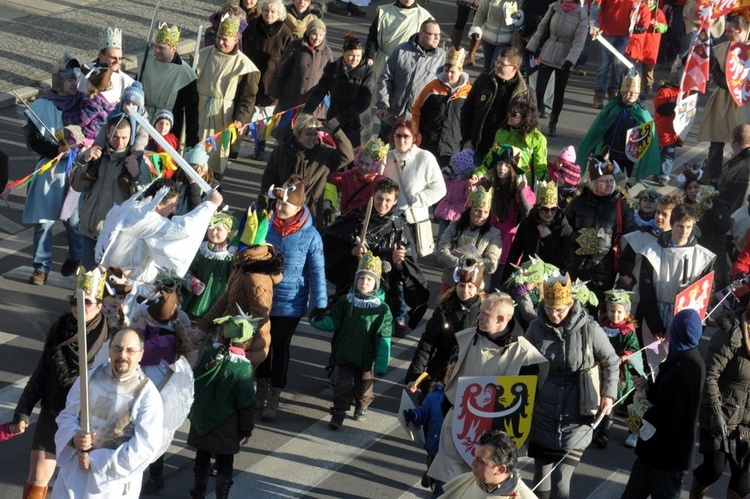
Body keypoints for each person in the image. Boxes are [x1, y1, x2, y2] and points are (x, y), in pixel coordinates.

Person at [428, 292, 548, 494]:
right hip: (459, 428)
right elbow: (450, 377)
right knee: (446, 490)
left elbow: (526, 403)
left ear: (501, 319)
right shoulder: (466, 339)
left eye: (485, 314)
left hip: (494, 440)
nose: (479, 317)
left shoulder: (525, 356)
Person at [13, 269, 108, 498]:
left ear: (99, 306)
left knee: (73, 487)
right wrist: (22, 412)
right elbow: (41, 374)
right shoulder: (58, 330)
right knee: (36, 478)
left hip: (87, 423)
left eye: (85, 301)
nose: (78, 306)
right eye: (74, 301)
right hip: (53, 411)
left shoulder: (108, 340)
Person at [524, 274, 619, 499]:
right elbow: (523, 363)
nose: (553, 315)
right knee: (540, 481)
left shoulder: (589, 328)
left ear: (570, 305)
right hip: (543, 412)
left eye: (559, 310)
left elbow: (611, 361)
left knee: (560, 483)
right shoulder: (536, 328)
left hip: (578, 413)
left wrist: (608, 394)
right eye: (549, 309)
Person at [52, 328, 164, 499]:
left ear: (141, 354)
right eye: (117, 348)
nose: (123, 355)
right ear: (110, 350)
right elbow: (67, 415)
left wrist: (97, 461)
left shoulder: (147, 395)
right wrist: (74, 437)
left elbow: (145, 447)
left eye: (130, 350)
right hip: (74, 472)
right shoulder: (89, 378)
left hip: (112, 483)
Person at [322, 178, 430, 337]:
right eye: (379, 198)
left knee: (372, 333)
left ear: (394, 202)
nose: (382, 204)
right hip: (354, 283)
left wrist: (398, 262)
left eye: (388, 200)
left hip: (383, 290)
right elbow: (331, 241)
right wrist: (351, 251)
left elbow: (407, 270)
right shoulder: (358, 218)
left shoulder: (399, 227)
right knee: (345, 329)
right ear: (372, 196)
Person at [256, 178, 327, 421]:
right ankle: (261, 387)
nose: (278, 209)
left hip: (291, 302)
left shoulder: (311, 236)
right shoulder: (266, 225)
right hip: (264, 296)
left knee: (280, 346)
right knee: (261, 343)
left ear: (298, 208)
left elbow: (317, 271)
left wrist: (321, 303)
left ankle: (275, 394)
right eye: (277, 204)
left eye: (284, 206)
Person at [620, 309, 706, 499]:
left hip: (666, 457)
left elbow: (669, 418)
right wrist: (649, 387)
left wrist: (642, 407)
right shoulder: (691, 358)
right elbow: (669, 398)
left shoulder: (682, 368)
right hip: (656, 453)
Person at [310, 251, 393, 429]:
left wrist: (381, 364)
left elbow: (384, 338)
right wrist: (317, 319)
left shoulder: (382, 309)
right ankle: (338, 412)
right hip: (345, 353)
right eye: (361, 279)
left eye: (369, 280)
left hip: (366, 357)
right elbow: (333, 322)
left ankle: (362, 405)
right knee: (343, 384)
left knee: (364, 386)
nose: (364, 283)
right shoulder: (345, 302)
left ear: (376, 284)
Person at [22, 54, 85, 285]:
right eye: (68, 79)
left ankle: (76, 255)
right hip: (51, 170)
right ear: (58, 80)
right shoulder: (41, 106)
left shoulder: (85, 102)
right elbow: (34, 140)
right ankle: (41, 267)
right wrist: (55, 149)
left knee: (75, 223)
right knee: (44, 223)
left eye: (75, 78)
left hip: (77, 170)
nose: (73, 83)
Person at [97, 178, 223, 290]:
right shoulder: (144, 218)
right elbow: (182, 232)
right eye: (172, 205)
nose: (174, 209)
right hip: (126, 284)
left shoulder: (130, 208)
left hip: (112, 276)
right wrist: (209, 206)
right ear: (158, 204)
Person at [200, 204, 284, 369]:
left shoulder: (255, 276)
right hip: (230, 339)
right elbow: (227, 298)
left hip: (246, 348)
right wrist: (206, 324)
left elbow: (259, 315)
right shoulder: (243, 266)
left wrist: (239, 342)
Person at [636, 203, 715, 369]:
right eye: (680, 226)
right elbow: (646, 291)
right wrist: (656, 325)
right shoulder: (651, 253)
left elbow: (707, 291)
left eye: (688, 227)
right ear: (672, 224)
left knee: (680, 367)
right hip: (656, 315)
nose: (684, 232)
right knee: (653, 368)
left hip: (686, 315)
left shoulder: (703, 257)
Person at [70, 112, 152, 271]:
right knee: (88, 287)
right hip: (90, 232)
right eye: (115, 137)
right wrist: (84, 160)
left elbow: (144, 202)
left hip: (117, 238)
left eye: (124, 138)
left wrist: (135, 175)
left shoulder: (139, 163)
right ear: (107, 133)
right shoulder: (96, 155)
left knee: (110, 291)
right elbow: (77, 186)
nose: (120, 142)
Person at [188, 315, 256, 499]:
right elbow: (246, 404)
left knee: (202, 455)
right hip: (227, 425)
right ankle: (222, 495)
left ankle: (198, 490)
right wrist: (247, 429)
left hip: (202, 418)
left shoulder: (210, 353)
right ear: (247, 342)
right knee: (225, 462)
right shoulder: (243, 368)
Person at [690, 306, 750, 499]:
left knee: (743, 477)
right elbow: (709, 374)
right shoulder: (731, 334)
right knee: (714, 469)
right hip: (720, 413)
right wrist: (716, 410)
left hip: (747, 419)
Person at [405, 257, 485, 395]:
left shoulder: (484, 313)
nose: (464, 290)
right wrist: (415, 374)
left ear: (477, 289)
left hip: (468, 376)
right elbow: (427, 344)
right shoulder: (445, 308)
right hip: (439, 372)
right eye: (461, 285)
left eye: (470, 286)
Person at [257, 113, 354, 226]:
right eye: (309, 134)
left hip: (310, 217)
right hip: (282, 213)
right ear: (298, 134)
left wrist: (337, 132)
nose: (313, 138)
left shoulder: (325, 154)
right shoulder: (281, 152)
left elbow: (348, 156)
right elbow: (268, 182)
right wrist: (263, 208)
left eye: (315, 134)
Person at [195, 12, 260, 175]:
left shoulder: (245, 65)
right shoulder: (203, 54)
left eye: (225, 39)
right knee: (193, 154)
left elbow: (248, 96)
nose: (220, 41)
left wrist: (241, 118)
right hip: (199, 112)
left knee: (214, 160)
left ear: (235, 40)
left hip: (222, 116)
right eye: (219, 37)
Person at [566, 153, 636, 302]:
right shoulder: (578, 203)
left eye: (611, 181)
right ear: (593, 183)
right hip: (577, 267)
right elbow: (564, 231)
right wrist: (583, 240)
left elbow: (630, 238)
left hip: (606, 269)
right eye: (604, 181)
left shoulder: (621, 205)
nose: (609, 184)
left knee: (599, 309)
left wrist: (626, 271)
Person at [472, 144, 536, 287]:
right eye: (500, 164)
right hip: (484, 242)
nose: (502, 168)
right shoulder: (487, 184)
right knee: (478, 286)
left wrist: (522, 192)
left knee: (497, 287)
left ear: (513, 169)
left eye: (507, 165)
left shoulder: (522, 190)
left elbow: (528, 216)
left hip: (505, 246)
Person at [577, 72, 659, 178]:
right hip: (611, 151)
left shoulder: (641, 111)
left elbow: (648, 134)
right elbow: (599, 127)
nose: (632, 95)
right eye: (629, 92)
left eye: (635, 93)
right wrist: (594, 148)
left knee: (627, 181)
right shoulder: (613, 107)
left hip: (630, 155)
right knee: (610, 178)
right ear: (622, 92)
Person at [697, 15, 749, 182]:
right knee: (716, 138)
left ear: (740, 30)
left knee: (745, 141)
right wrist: (728, 84)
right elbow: (716, 70)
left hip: (745, 101)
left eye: (729, 31)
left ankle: (742, 176)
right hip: (723, 99)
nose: (725, 34)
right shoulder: (722, 48)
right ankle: (713, 177)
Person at [525, 0, 588, 137]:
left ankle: (553, 122)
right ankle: (532, 121)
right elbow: (542, 28)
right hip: (549, 49)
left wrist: (570, 61)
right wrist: (531, 47)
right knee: (539, 89)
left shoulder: (581, 15)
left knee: (559, 92)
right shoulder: (554, 7)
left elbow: (579, 41)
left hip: (565, 55)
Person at [376, 19, 446, 141]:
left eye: (438, 35)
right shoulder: (401, 50)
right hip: (392, 117)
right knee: (380, 155)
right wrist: (382, 104)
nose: (437, 38)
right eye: (432, 34)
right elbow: (385, 78)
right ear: (421, 33)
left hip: (419, 122)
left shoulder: (442, 57)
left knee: (409, 158)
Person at [460, 46, 535, 161]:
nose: (497, 66)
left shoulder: (527, 94)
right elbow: (467, 109)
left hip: (505, 156)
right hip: (478, 148)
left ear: (514, 68)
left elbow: (532, 128)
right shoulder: (484, 80)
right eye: (497, 61)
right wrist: (467, 139)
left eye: (502, 64)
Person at [302, 33, 375, 148]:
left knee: (353, 159)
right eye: (351, 55)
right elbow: (320, 90)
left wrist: (341, 118)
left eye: (358, 55)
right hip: (334, 119)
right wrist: (307, 110)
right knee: (334, 156)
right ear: (343, 52)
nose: (355, 59)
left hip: (357, 124)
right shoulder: (333, 68)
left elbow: (364, 101)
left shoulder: (368, 72)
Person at [382, 117, 447, 246]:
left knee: (409, 261)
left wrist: (417, 199)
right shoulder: (387, 157)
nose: (402, 140)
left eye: (406, 136)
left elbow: (440, 189)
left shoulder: (425, 157)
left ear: (414, 138)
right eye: (398, 135)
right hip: (389, 220)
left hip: (413, 221)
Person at [242, 0, 293, 159]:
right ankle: (234, 145)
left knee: (264, 118)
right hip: (249, 77)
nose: (269, 14)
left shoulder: (285, 33)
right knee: (244, 113)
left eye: (273, 12)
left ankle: (260, 147)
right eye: (266, 11)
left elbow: (288, 60)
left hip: (270, 82)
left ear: (279, 14)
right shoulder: (251, 25)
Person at [592, 289, 640, 449]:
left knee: (610, 402)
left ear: (626, 312)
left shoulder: (627, 331)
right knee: (596, 398)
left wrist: (624, 357)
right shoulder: (601, 327)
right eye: (612, 310)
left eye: (619, 311)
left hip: (618, 374)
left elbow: (633, 349)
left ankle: (603, 433)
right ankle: (593, 428)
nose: (615, 315)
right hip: (599, 369)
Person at [140, 22, 200, 149]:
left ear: (174, 49)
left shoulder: (185, 74)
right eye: (155, 46)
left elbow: (191, 110)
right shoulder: (146, 63)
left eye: (161, 48)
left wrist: (192, 141)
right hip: (144, 122)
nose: (156, 51)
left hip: (169, 127)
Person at [411, 47, 471, 166]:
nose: (448, 75)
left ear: (461, 71)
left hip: (453, 146)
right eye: (446, 70)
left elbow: (471, 118)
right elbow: (416, 110)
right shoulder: (432, 88)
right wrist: (415, 132)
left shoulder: (468, 92)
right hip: (428, 143)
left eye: (452, 72)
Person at [502, 180, 573, 281]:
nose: (549, 214)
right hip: (527, 276)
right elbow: (514, 254)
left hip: (551, 279)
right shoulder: (527, 224)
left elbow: (562, 262)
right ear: (537, 208)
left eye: (553, 209)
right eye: (544, 209)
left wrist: (548, 238)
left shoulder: (564, 229)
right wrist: (504, 282)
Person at [437, 187, 502, 292]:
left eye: (486, 212)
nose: (481, 216)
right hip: (451, 283)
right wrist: (466, 265)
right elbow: (441, 253)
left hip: (478, 287)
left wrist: (464, 259)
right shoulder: (454, 226)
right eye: (477, 211)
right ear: (469, 210)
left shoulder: (494, 234)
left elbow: (491, 265)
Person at [441, 430, 537, 499]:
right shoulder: (467, 481)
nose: (473, 464)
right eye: (475, 457)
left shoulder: (522, 495)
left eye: (480, 461)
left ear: (500, 470)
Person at [268, 19, 333, 122]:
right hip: (290, 98)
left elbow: (330, 77)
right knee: (285, 128)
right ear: (308, 33)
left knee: (306, 132)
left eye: (321, 35)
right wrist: (274, 92)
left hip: (313, 103)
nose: (317, 38)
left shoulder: (327, 52)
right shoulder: (295, 46)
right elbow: (281, 69)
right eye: (314, 34)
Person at [617, 193, 681, 289]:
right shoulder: (639, 236)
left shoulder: (681, 242)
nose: (659, 217)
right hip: (640, 289)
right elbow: (624, 262)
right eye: (658, 212)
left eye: (664, 214)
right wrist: (637, 274)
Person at [182, 212, 237, 320]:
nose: (213, 232)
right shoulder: (201, 249)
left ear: (229, 233)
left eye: (218, 229)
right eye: (211, 228)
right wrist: (192, 283)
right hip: (195, 297)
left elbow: (234, 277)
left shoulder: (231, 255)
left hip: (218, 299)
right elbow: (187, 269)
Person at [364, 0, 433, 79]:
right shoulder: (384, 11)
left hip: (408, 66)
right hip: (382, 63)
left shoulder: (424, 17)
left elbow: (429, 45)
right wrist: (369, 56)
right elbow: (373, 36)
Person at [588, 0, 636, 108]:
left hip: (623, 34)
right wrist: (594, 24)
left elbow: (638, 9)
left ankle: (613, 93)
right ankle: (599, 94)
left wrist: (636, 20)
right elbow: (595, 6)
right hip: (606, 32)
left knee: (618, 64)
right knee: (603, 65)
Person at [326, 138, 388, 215]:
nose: (362, 167)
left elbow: (381, 191)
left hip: (361, 222)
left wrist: (380, 173)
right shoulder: (352, 174)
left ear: (375, 166)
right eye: (361, 162)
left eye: (367, 164)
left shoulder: (376, 182)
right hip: (344, 219)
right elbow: (334, 178)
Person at [492, 100, 548, 184]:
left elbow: (540, 169)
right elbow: (491, 158)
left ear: (524, 118)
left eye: (514, 114)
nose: (509, 116)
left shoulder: (537, 139)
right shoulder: (501, 132)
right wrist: (478, 174)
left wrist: (541, 189)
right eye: (509, 112)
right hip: (500, 183)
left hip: (522, 187)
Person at [77, 27, 134, 105]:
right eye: (113, 58)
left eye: (120, 58)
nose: (117, 62)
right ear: (101, 56)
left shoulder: (128, 82)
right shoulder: (81, 72)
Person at [469, 0, 525, 74]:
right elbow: (481, 13)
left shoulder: (519, 1)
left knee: (494, 69)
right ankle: (484, 84)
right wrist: (476, 28)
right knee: (486, 69)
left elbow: (521, 20)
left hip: (505, 41)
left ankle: (491, 84)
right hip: (487, 39)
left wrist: (519, 17)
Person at [624, 0, 667, 96]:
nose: (649, 2)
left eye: (651, 0)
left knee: (648, 66)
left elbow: (665, 28)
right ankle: (634, 83)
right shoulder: (638, 9)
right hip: (638, 41)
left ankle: (648, 84)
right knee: (634, 64)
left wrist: (658, 25)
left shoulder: (658, 12)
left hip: (650, 43)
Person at [434, 149, 476, 240]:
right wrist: (443, 175)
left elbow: (468, 198)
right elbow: (440, 187)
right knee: (441, 236)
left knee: (454, 236)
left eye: (454, 164)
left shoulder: (467, 182)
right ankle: (439, 248)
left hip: (458, 211)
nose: (452, 166)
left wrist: (471, 188)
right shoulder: (450, 177)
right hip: (445, 209)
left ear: (461, 166)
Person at [652, 67, 683, 186]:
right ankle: (656, 172)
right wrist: (676, 105)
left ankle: (664, 175)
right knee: (658, 153)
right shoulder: (664, 91)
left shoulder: (683, 93)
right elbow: (661, 109)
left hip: (674, 130)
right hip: (661, 128)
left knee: (668, 154)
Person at [717, 124, 750, 214]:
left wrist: (730, 222)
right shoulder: (740, 158)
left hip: (732, 219)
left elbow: (741, 203)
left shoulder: (745, 167)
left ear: (733, 139)